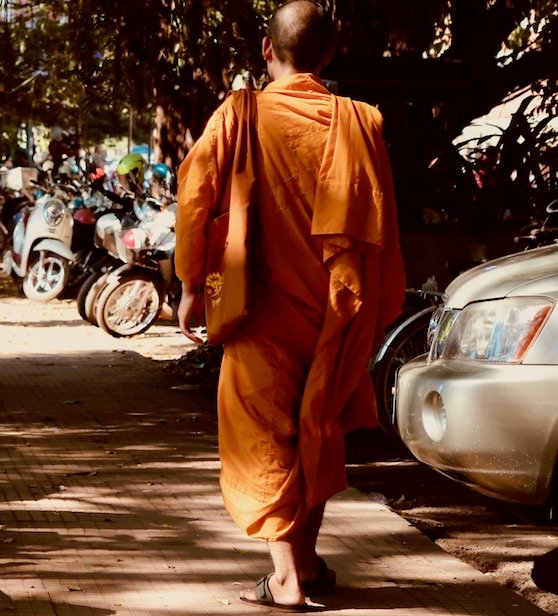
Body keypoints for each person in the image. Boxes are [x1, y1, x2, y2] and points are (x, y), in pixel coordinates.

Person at [174, 1, 405, 610]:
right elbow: (382, 229)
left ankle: (286, 577)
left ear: (267, 51)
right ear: (328, 57)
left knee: (262, 437)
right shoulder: (362, 122)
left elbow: (194, 197)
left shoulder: (241, 113)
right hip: (337, 310)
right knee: (318, 426)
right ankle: (305, 563)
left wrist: (191, 284)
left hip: (260, 310)